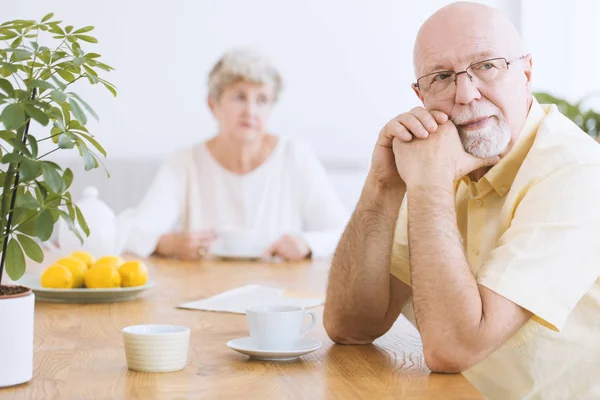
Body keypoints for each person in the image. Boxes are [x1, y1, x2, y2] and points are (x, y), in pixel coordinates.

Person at [323, 2, 600, 399]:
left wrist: (429, 184)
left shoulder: (577, 173)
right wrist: (382, 185)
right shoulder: (440, 158)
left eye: (487, 65)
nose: (466, 94)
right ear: (421, 95)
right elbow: (350, 327)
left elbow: (455, 349)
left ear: (526, 73)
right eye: (442, 76)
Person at [123, 49, 347, 261]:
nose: (250, 111)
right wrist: (165, 243)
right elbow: (134, 233)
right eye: (239, 97)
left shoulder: (296, 157)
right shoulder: (183, 163)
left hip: (281, 294)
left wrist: (307, 243)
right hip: (202, 290)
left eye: (262, 100)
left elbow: (344, 232)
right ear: (213, 104)